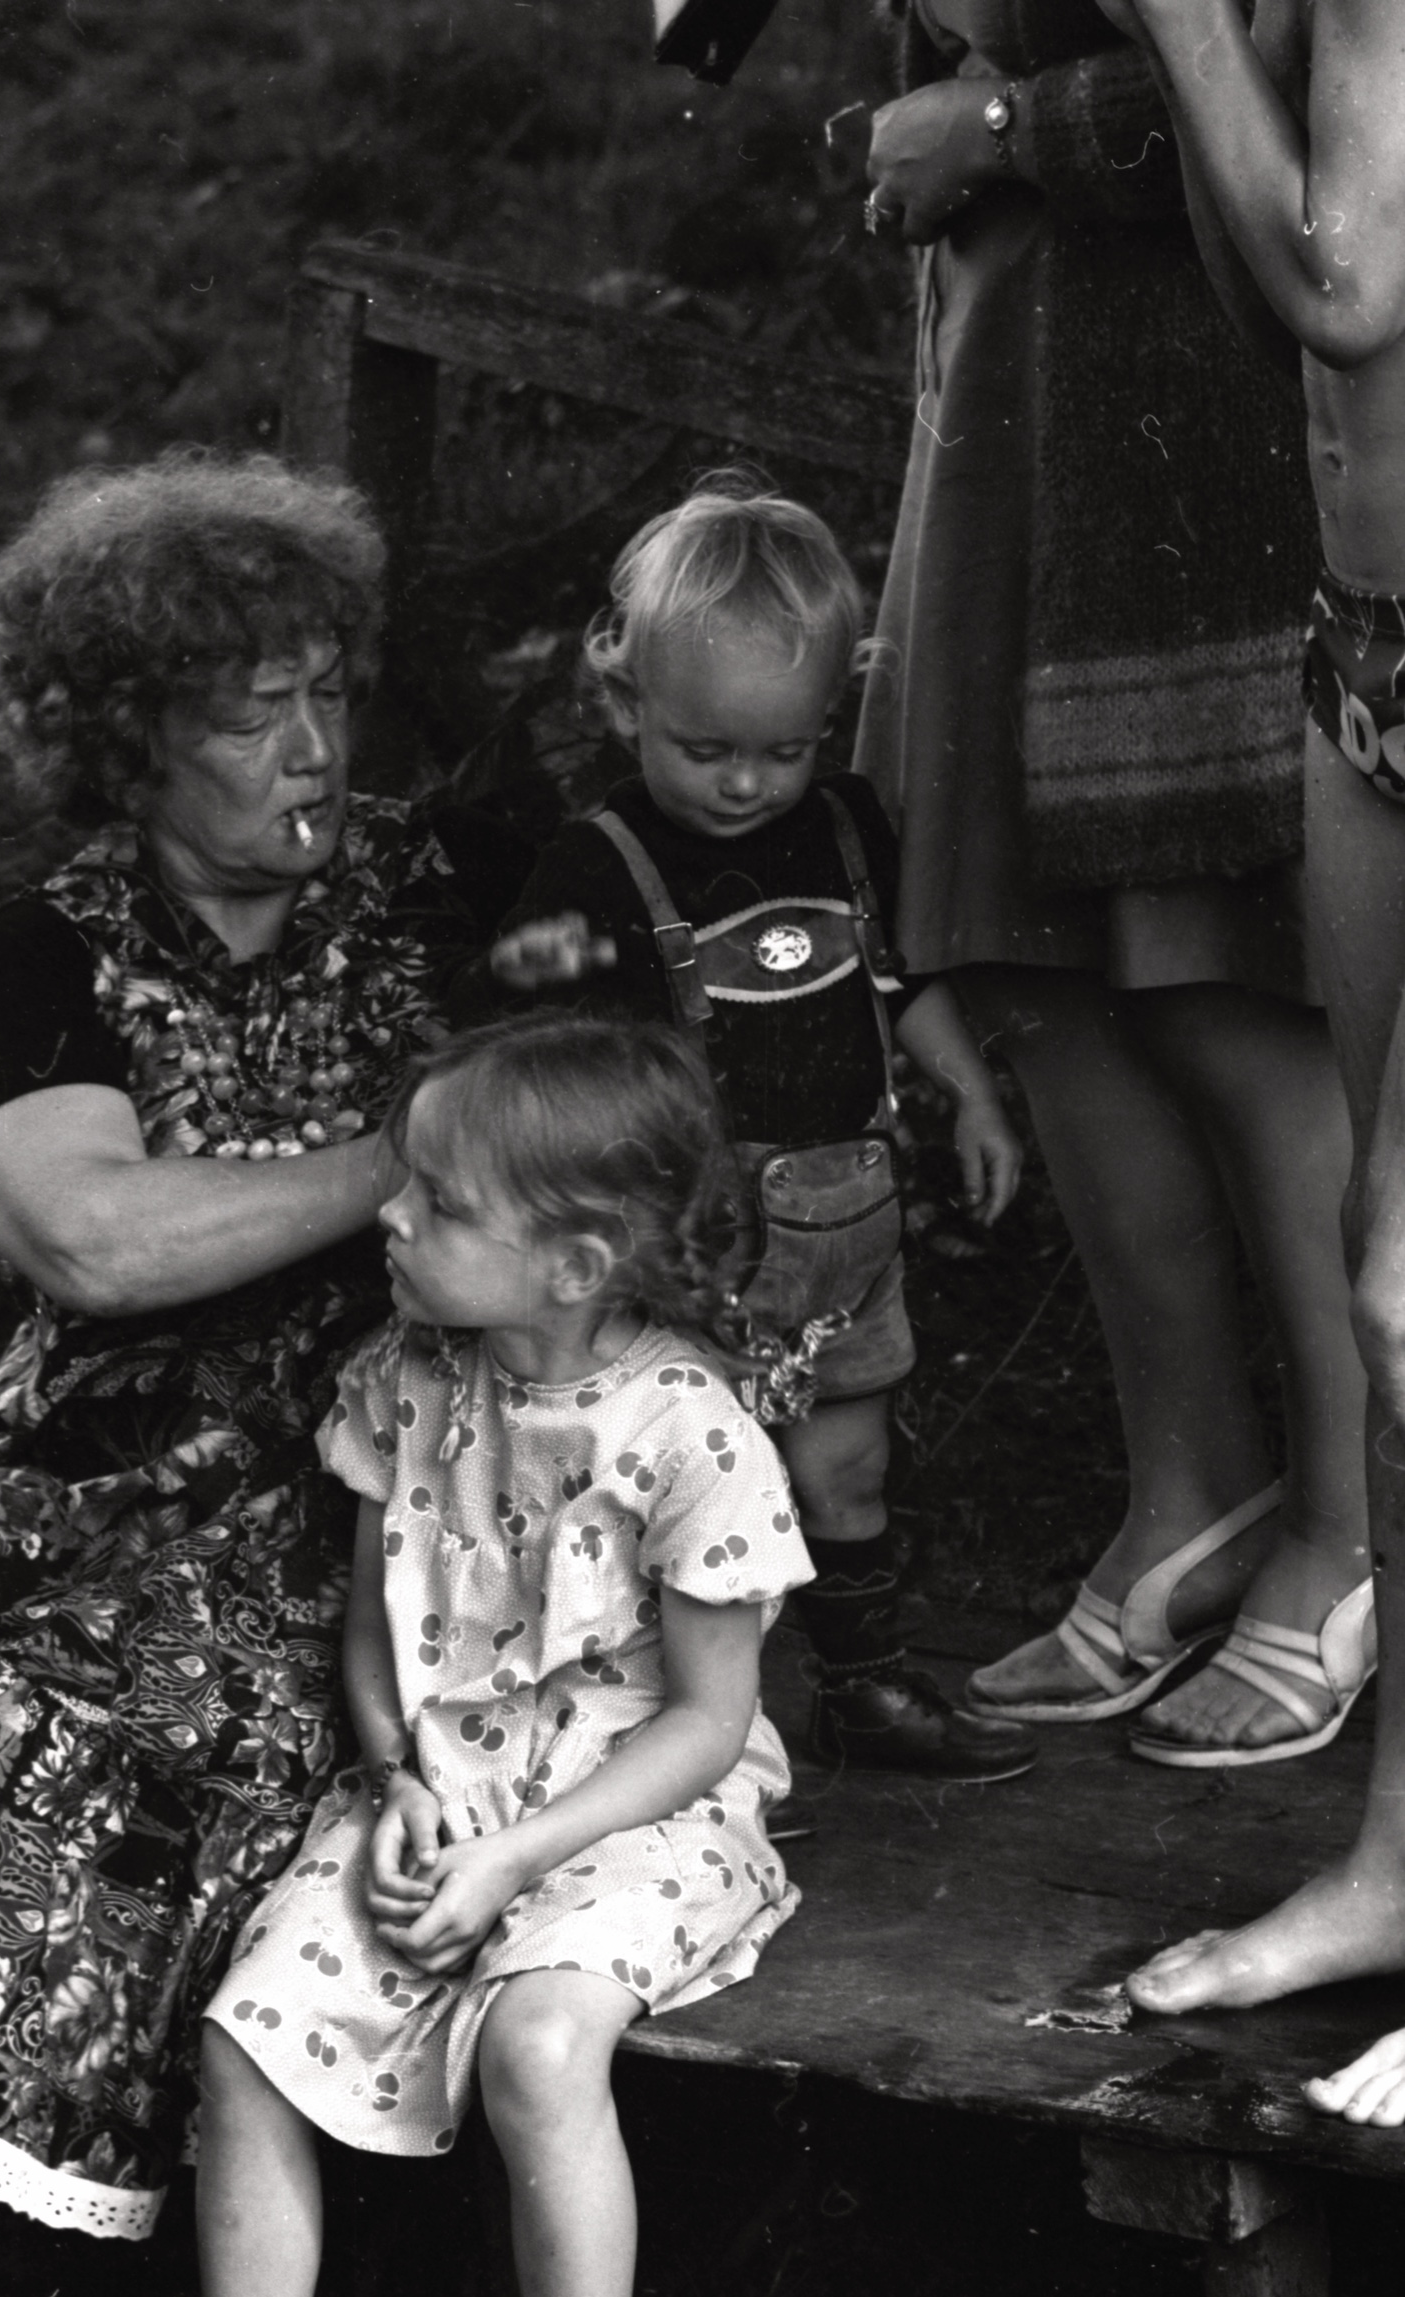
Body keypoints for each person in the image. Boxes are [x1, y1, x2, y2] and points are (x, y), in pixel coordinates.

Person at [0, 450, 488, 2241]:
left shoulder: (455, 901)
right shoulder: (39, 954)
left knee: (23, 1715)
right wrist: (410, 1153)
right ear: (127, 746)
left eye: (328, 696)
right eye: (252, 717)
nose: (313, 752)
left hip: (358, 1495)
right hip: (81, 1470)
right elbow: (93, 1240)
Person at [856, 0, 1372, 1769]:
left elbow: (1324, 116)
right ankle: (1196, 1488)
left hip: (1202, 391)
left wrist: (1009, 129)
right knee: (1035, 958)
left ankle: (1350, 1526)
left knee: (1226, 973)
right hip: (1014, 367)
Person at [195, 1013, 810, 2297]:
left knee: (540, 2044)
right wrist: (398, 1780)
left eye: (442, 1201)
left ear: (575, 1262)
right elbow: (375, 1625)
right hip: (441, 1791)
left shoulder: (689, 1434)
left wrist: (518, 1858)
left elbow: (707, 1726)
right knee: (246, 2041)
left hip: (639, 1813)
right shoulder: (407, 1375)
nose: (392, 1215)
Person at [450, 476, 1036, 1782]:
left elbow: (904, 981)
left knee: (848, 1470)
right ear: (628, 704)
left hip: (848, 1230)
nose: (746, 784)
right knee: (693, 1495)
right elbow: (529, 1046)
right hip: (692, 1254)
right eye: (706, 749)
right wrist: (533, 980)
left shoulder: (846, 830)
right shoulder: (601, 864)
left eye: (784, 750)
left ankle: (866, 1690)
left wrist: (976, 1095)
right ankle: (685, 1742)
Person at [1066, 0, 1405, 2119]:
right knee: (1392, 1313)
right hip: (1370, 652)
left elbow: (1348, 283)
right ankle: (1396, 1869)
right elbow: (1263, 281)